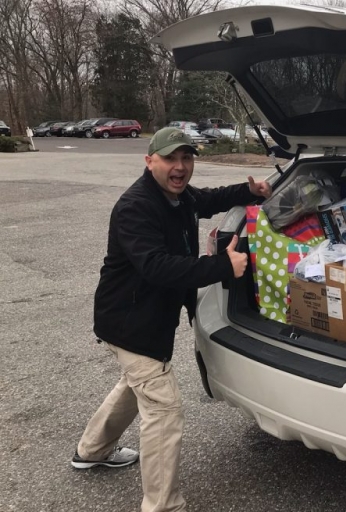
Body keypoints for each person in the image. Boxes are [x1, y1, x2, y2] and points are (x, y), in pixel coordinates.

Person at [71, 127, 272, 512]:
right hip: (129, 322)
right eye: (169, 159)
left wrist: (250, 191)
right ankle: (162, 506)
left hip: (144, 319)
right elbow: (157, 266)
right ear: (150, 161)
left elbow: (211, 198)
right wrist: (222, 265)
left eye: (186, 158)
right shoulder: (136, 207)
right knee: (163, 407)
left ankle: (91, 450)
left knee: (136, 384)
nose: (180, 167)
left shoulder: (180, 196)